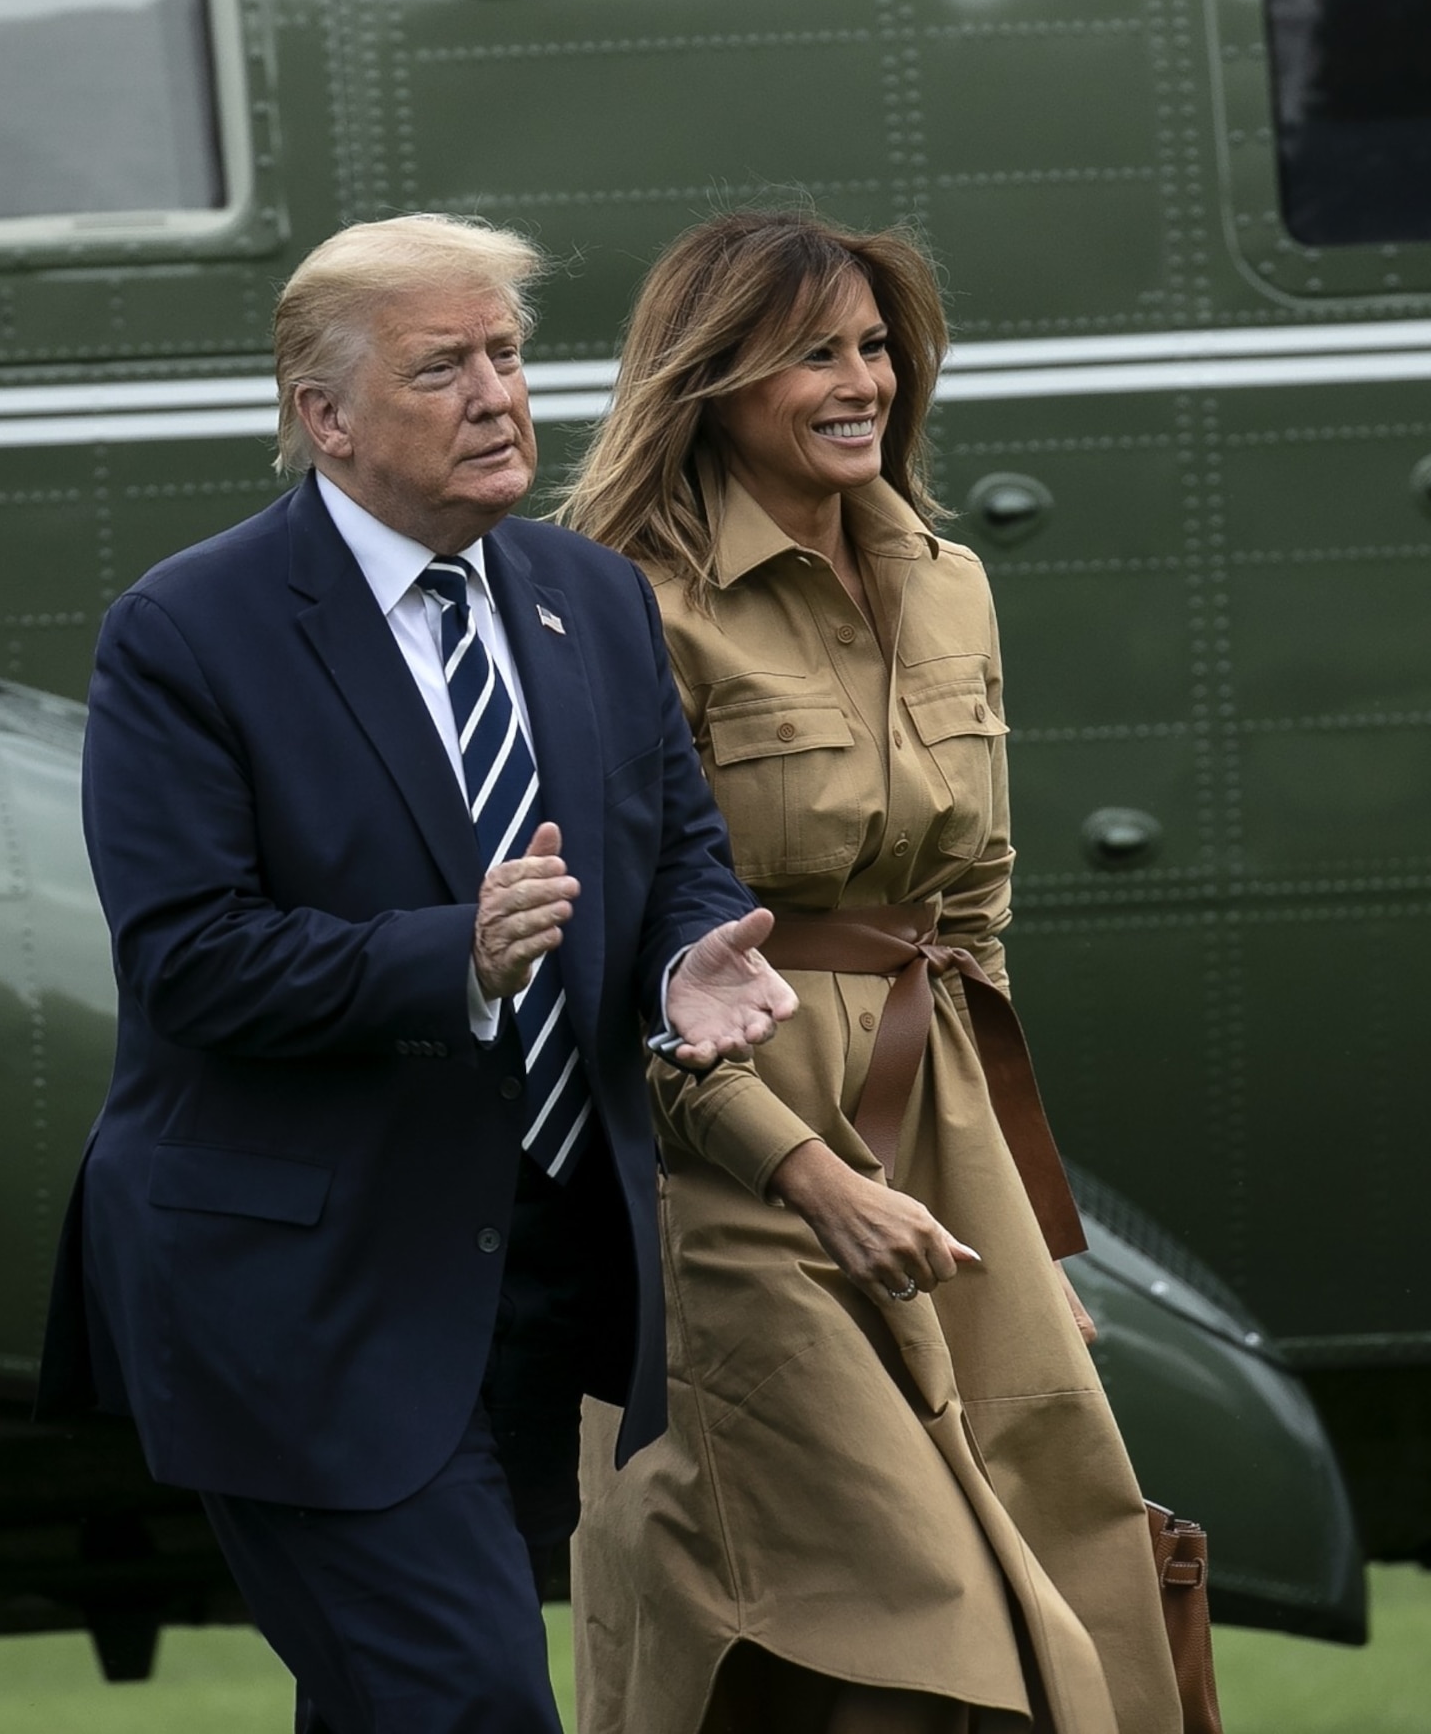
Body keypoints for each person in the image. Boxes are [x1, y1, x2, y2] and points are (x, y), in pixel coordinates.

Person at [38, 214, 798, 1734]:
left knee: (401, 1702)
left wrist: (680, 976)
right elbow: (189, 961)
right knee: (464, 1704)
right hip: (302, 1298)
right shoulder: (190, 631)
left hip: (532, 1280)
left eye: (508, 356)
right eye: (441, 367)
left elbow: (676, 860)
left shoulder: (592, 601)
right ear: (325, 417)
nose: (498, 396)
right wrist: (450, 952)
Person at [554, 211, 1179, 1734]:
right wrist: (800, 1171)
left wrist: (1021, 1217)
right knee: (888, 1614)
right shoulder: (618, 602)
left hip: (941, 1122)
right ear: (711, 382)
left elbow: (971, 920)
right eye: (810, 353)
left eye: (876, 346)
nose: (862, 383)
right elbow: (609, 969)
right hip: (725, 1154)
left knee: (1051, 1563)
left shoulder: (951, 580)